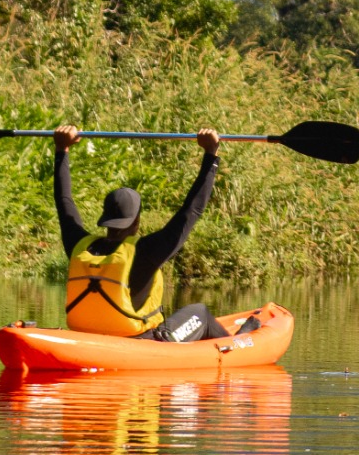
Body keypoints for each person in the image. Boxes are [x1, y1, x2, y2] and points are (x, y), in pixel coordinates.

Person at [52, 124, 248, 342]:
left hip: (87, 337)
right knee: (199, 313)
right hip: (140, 341)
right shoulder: (146, 252)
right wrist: (211, 154)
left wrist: (62, 151)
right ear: (136, 222)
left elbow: (64, 203)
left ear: (105, 219)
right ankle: (237, 346)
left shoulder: (79, 246)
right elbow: (192, 211)